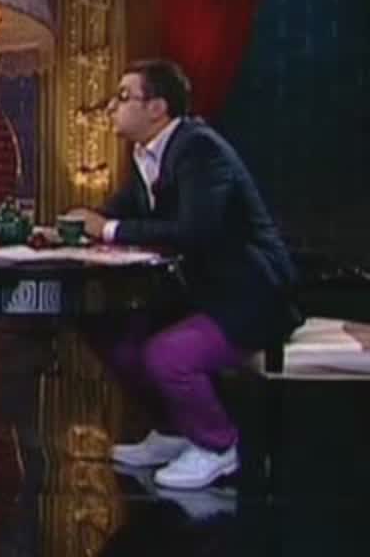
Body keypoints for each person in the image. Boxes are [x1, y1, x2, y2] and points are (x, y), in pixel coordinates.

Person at [65, 59, 301, 491]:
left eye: (123, 96)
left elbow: (195, 230)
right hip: (198, 295)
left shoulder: (199, 150)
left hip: (248, 295)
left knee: (167, 355)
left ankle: (218, 445)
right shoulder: (146, 154)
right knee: (112, 334)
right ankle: (174, 431)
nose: (112, 107)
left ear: (157, 108)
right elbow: (114, 214)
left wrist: (109, 229)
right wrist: (66, 230)